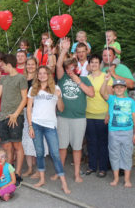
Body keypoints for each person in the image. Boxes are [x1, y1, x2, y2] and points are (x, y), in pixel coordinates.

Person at [27, 65, 70, 194]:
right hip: (36, 124)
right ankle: (41, 179)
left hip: (50, 125)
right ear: (37, 75)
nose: (42, 75)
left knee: (55, 153)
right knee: (39, 152)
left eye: (44, 73)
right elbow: (29, 108)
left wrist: (59, 97)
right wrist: (30, 126)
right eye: (39, 73)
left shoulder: (56, 88)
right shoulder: (33, 89)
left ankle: (64, 183)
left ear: (49, 75)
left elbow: (61, 109)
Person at [55, 40, 94, 183]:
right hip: (63, 117)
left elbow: (91, 93)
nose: (70, 70)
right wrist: (64, 50)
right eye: (68, 68)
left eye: (73, 67)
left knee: (77, 148)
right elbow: (58, 65)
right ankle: (60, 172)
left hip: (79, 118)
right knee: (62, 147)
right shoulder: (62, 78)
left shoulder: (84, 78)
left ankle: (77, 174)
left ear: (77, 67)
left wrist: (77, 80)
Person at [100, 77, 135, 187]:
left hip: (128, 132)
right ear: (113, 89)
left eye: (121, 87)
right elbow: (102, 92)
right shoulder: (111, 99)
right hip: (114, 132)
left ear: (125, 88)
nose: (119, 89)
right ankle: (116, 179)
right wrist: (105, 80)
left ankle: (127, 179)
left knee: (127, 155)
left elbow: (134, 117)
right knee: (114, 154)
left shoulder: (131, 101)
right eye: (116, 87)